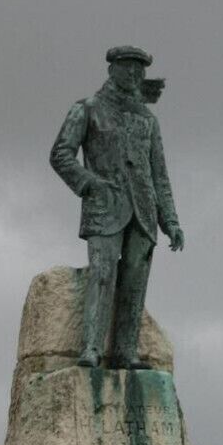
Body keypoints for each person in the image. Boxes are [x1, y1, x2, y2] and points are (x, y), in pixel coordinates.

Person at [50, 46, 184, 368]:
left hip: (143, 212)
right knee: (102, 273)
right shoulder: (88, 109)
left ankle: (126, 351)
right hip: (105, 207)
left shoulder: (147, 121)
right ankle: (92, 349)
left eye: (139, 70)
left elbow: (159, 175)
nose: (135, 75)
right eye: (128, 68)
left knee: (135, 283)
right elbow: (61, 155)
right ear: (112, 70)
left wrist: (172, 221)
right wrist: (90, 183)